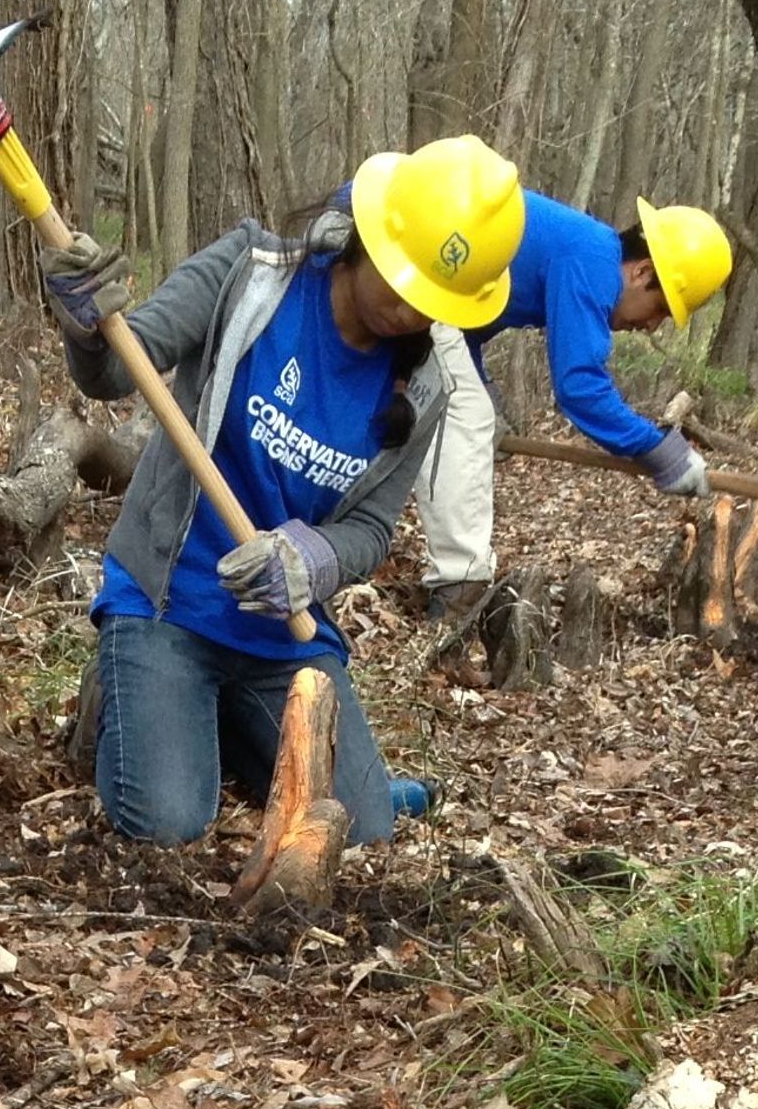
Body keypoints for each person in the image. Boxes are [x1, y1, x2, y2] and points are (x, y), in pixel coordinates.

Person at [42, 134, 521, 848]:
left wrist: (311, 559)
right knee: (168, 823)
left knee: (364, 828)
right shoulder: (252, 274)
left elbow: (371, 531)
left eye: (433, 300)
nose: (409, 311)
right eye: (402, 280)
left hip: (282, 637)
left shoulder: (425, 389)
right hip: (169, 605)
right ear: (367, 235)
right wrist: (86, 325)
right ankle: (128, 700)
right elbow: (118, 372)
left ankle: (218, 727)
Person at [415, 194, 735, 604]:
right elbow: (580, 388)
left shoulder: (584, 250)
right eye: (659, 308)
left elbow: (467, 321)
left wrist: (484, 389)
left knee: (442, 409)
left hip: (421, 272)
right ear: (641, 271)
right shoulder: (594, 262)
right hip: (405, 256)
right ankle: (458, 586)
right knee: (466, 415)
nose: (652, 326)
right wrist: (659, 450)